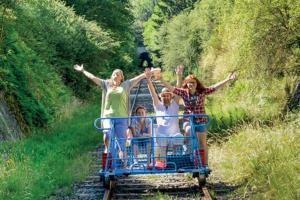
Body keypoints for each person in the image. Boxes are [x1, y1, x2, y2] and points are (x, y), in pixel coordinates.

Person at [73, 64, 156, 168]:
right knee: (107, 135)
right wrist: (82, 70)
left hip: (122, 118)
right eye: (114, 74)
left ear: (122, 77)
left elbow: (139, 77)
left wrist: (149, 73)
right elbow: (93, 78)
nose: (115, 76)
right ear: (111, 76)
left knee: (122, 143)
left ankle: (125, 166)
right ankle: (108, 157)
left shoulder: (126, 85)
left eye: (118, 74)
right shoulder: (106, 84)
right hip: (108, 116)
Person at [158, 70, 236, 166]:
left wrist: (227, 79)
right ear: (186, 84)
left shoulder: (202, 92)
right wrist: (161, 79)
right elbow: (172, 88)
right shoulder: (184, 93)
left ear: (196, 84)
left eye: (193, 83)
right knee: (189, 130)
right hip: (188, 119)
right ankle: (188, 153)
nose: (191, 84)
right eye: (189, 83)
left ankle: (204, 164)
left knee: (202, 143)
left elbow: (214, 87)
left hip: (200, 120)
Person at [146, 65, 184, 168]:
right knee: (161, 139)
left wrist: (179, 76)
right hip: (162, 135)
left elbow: (178, 88)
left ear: (171, 96)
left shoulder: (175, 104)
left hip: (174, 135)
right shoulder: (158, 105)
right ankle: (162, 163)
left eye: (168, 95)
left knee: (179, 137)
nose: (166, 97)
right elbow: (152, 92)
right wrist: (149, 80)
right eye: (163, 95)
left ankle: (177, 160)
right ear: (161, 97)